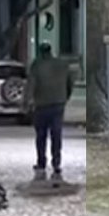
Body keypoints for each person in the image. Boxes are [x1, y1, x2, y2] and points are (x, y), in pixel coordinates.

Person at [24, 42, 74, 181]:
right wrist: (64, 97)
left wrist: (26, 102)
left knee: (41, 136)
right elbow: (70, 83)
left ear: (40, 52)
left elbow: (31, 85)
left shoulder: (37, 65)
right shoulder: (62, 65)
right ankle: (56, 163)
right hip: (58, 104)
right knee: (56, 134)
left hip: (42, 105)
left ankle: (41, 163)